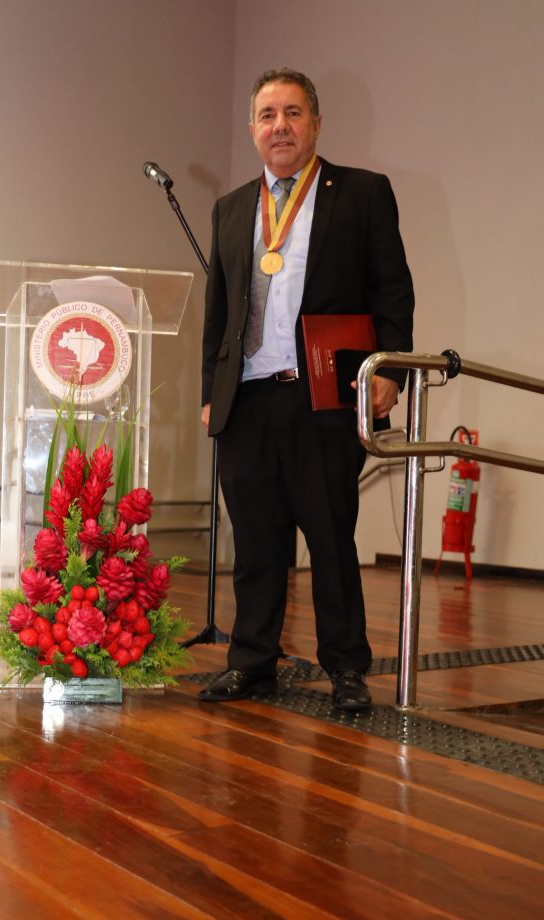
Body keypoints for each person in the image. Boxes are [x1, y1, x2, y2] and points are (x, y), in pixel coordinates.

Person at [199, 67, 414, 708]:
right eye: (268, 115)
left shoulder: (363, 193)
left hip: (323, 395)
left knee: (330, 539)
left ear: (316, 124)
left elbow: (393, 290)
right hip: (247, 398)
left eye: (293, 113)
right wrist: (212, 391)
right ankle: (252, 661)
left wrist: (390, 372)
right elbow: (218, 311)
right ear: (252, 129)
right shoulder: (231, 208)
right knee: (256, 543)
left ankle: (346, 668)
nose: (280, 126)